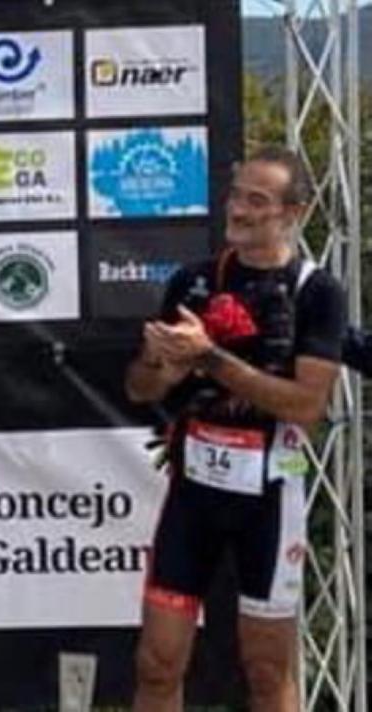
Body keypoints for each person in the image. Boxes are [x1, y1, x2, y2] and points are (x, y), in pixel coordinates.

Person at [124, 146, 345, 711]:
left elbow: (305, 405)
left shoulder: (317, 293)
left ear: (292, 213)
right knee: (157, 662)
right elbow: (140, 390)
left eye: (258, 200)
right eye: (236, 195)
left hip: (270, 497)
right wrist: (159, 364)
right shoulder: (194, 281)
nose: (240, 210)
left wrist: (210, 358)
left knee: (267, 670)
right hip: (195, 492)